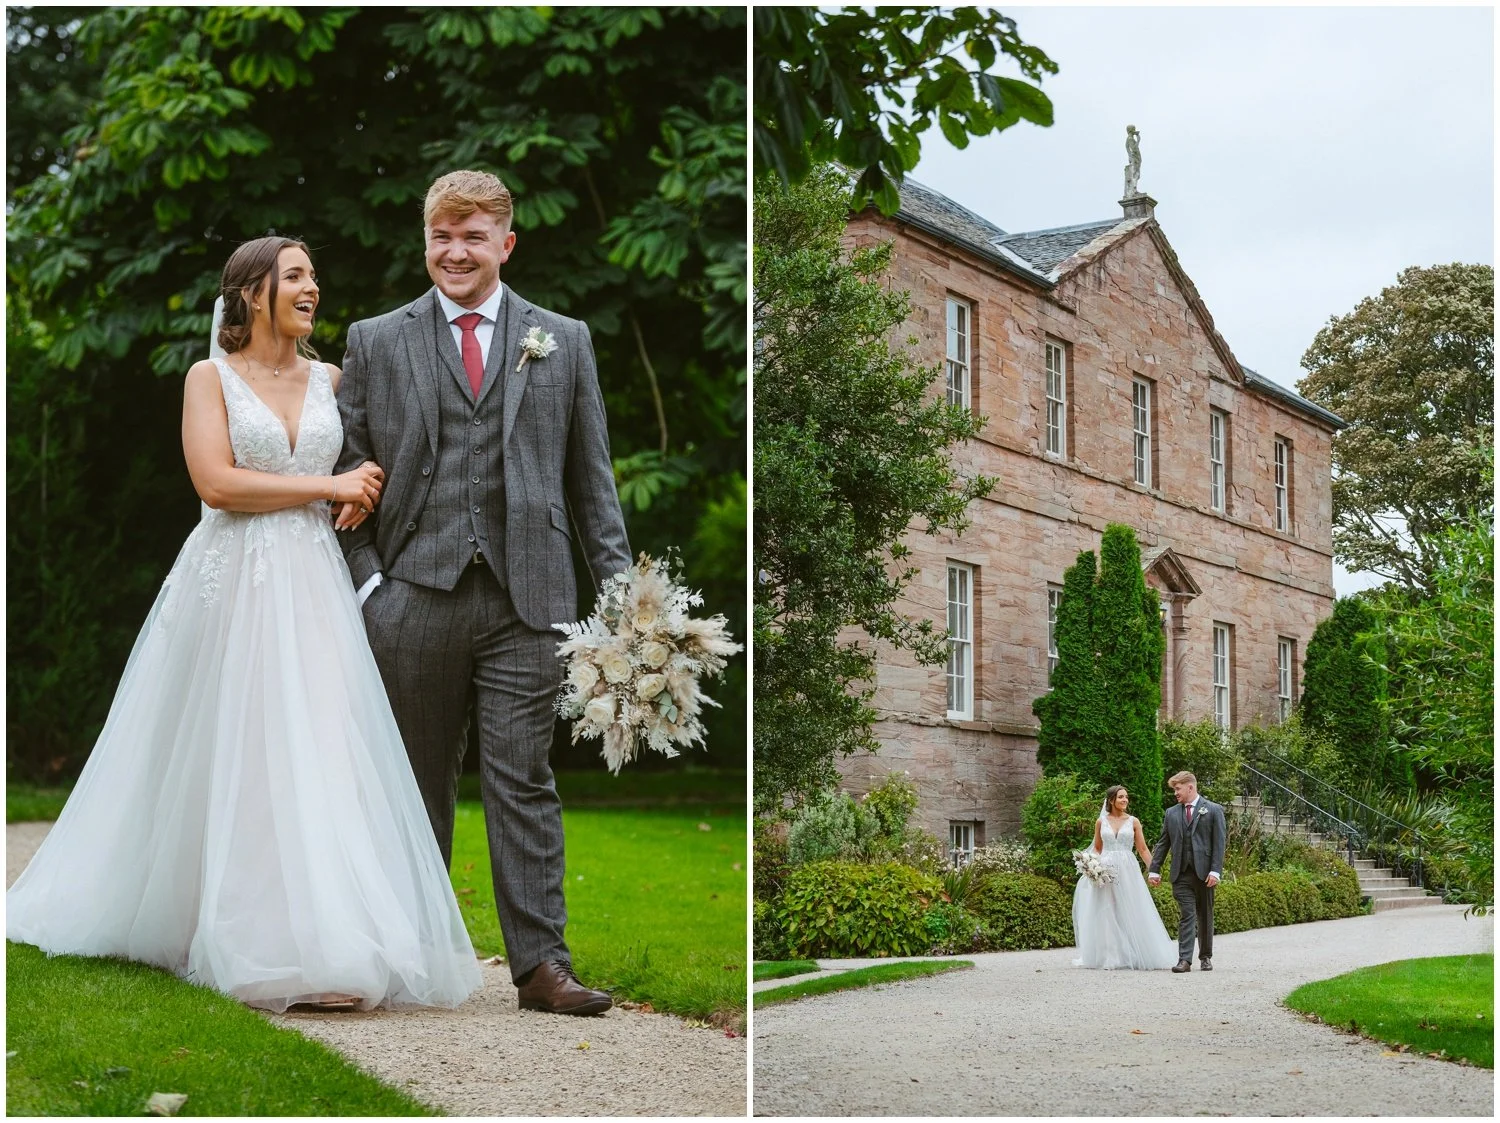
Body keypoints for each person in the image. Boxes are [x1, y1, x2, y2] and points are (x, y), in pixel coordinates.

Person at [6, 236, 482, 1014]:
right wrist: (329, 482)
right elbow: (217, 482)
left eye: (314, 275)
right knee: (230, 750)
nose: (313, 288)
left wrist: (365, 488)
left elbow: (382, 458)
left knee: (318, 751)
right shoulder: (210, 378)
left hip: (317, 588)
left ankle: (325, 940)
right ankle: (219, 924)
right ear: (253, 291)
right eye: (296, 275)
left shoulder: (335, 379)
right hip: (231, 584)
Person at [333, 170, 631, 1016]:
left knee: (523, 781)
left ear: (506, 243)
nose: (454, 252)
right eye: (440, 236)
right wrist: (369, 590)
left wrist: (619, 609)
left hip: (530, 600)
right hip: (411, 594)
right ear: (424, 242)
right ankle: (409, 955)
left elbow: (593, 486)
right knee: (413, 783)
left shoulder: (562, 339)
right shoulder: (377, 340)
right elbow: (342, 477)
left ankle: (541, 965)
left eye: (472, 236)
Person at [1072, 784, 1180, 970]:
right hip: (1105, 871)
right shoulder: (1101, 822)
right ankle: (1111, 955)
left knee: (1130, 908)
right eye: (1121, 797)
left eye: (1126, 797)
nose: (1125, 800)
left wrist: (1153, 870)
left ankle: (1135, 952)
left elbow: (1143, 849)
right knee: (1107, 910)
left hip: (1127, 869)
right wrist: (1090, 865)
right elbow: (1097, 848)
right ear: (1112, 800)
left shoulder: (1133, 821)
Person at [1148, 770, 1227, 973]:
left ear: (1190, 787)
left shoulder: (1214, 810)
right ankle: (1184, 960)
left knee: (1205, 915)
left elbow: (1219, 843)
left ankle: (1206, 957)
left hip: (1204, 874)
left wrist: (1216, 871)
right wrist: (1154, 870)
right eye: (1175, 789)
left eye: (1178, 788)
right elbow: (1163, 843)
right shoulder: (1171, 813)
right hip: (1181, 874)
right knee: (1187, 914)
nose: (1175, 793)